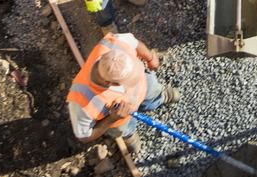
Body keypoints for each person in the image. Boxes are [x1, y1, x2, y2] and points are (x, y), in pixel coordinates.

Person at [66, 30, 178, 158]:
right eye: (128, 82)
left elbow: (136, 44)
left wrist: (150, 58)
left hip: (144, 88)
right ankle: (130, 136)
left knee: (151, 88)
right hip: (121, 119)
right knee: (124, 128)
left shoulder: (114, 43)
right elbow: (84, 136)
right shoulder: (81, 101)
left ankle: (159, 98)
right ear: (109, 83)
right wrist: (113, 118)